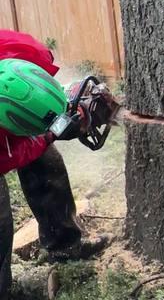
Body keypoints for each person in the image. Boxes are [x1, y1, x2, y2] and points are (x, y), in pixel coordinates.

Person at [0, 29, 109, 300]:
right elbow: (11, 155)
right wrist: (50, 134)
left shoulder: (21, 49)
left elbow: (45, 67)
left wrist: (64, 104)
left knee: (47, 161)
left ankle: (64, 245)